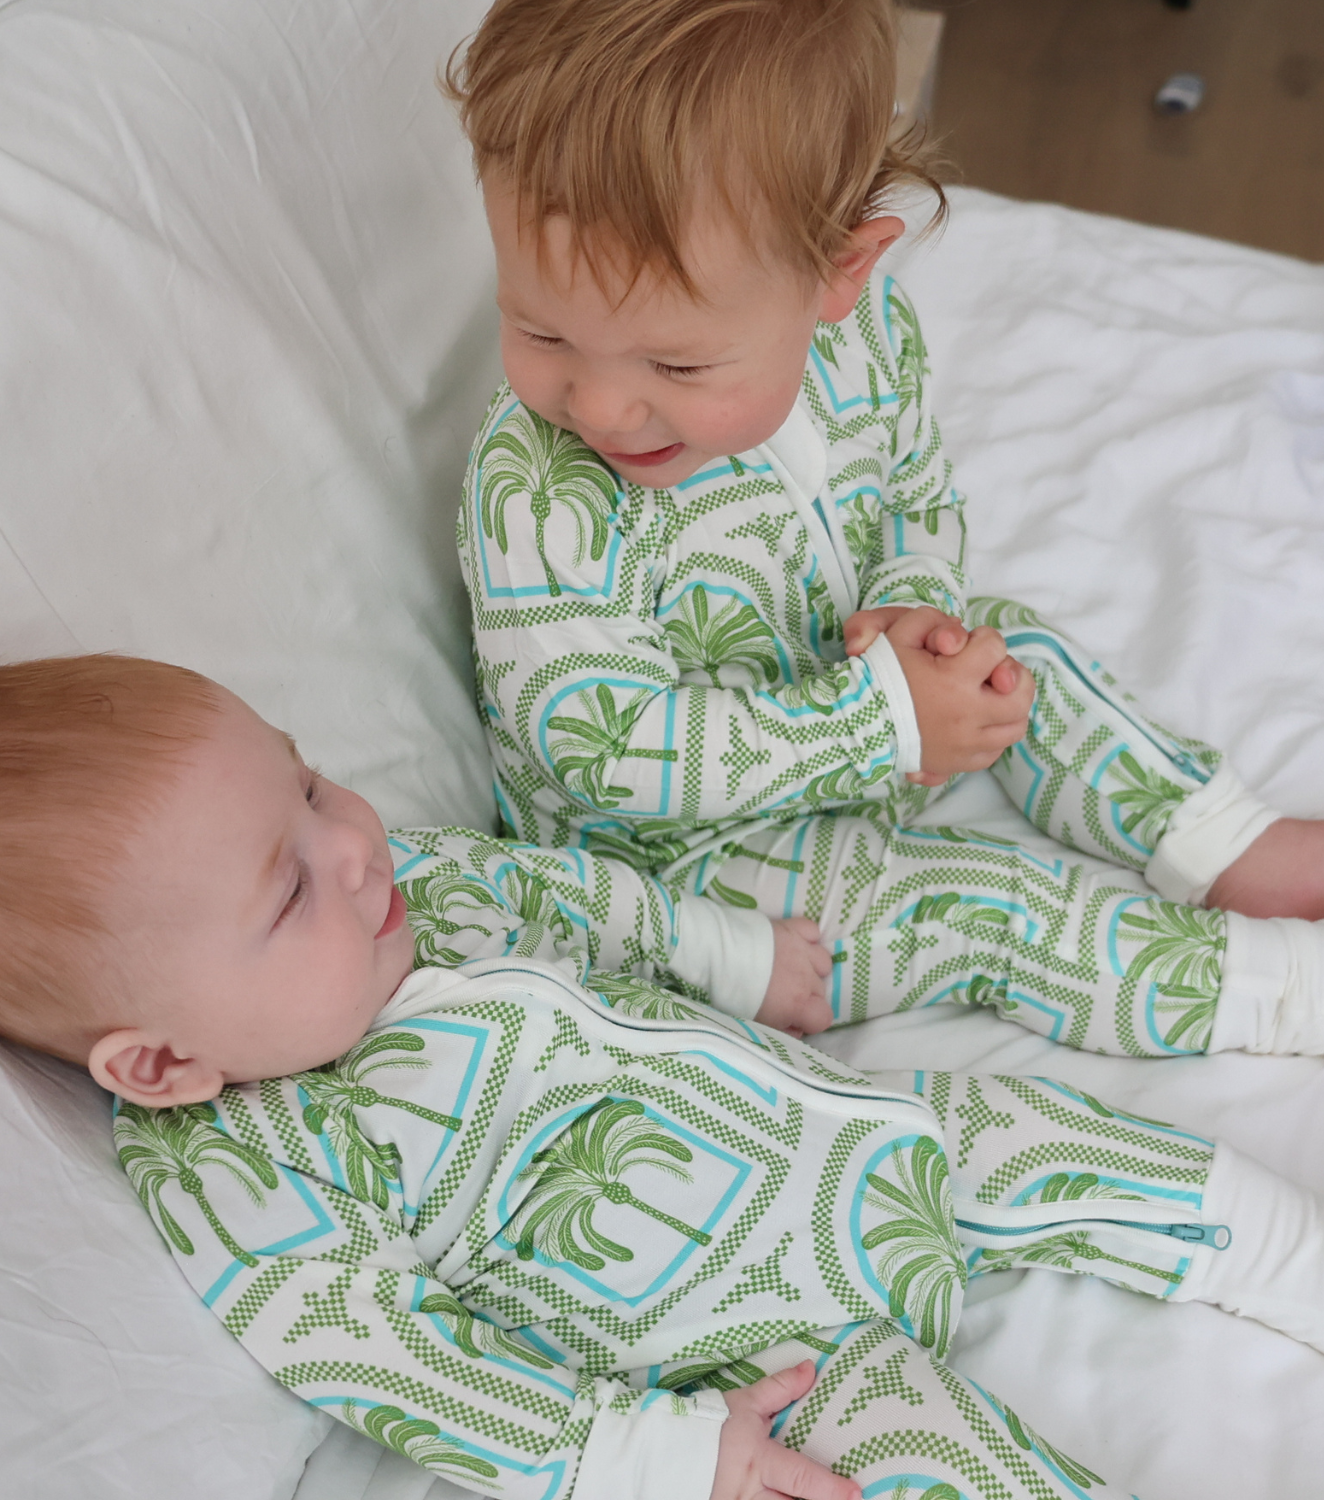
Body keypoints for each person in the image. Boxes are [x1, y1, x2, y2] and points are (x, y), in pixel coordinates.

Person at [0, 655, 1324, 1500]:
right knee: (925, 1472)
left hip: (866, 1142)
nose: (351, 842)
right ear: (165, 1060)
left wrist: (738, 959)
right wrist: (649, 1458)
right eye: (285, 886)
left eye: (305, 780)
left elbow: (582, 900)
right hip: (764, 1354)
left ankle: (1287, 1260)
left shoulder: (415, 890)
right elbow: (389, 1361)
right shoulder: (242, 1169)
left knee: (1085, 1151)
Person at [445, 0, 1324, 1065]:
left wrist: (917, 608)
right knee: (982, 907)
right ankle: (1279, 993)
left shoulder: (867, 337)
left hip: (852, 709)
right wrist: (879, 723)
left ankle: (1222, 842)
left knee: (1013, 650)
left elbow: (916, 486)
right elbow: (601, 747)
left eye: (676, 363)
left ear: (838, 272)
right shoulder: (536, 490)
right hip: (687, 869)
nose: (600, 405)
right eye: (540, 331)